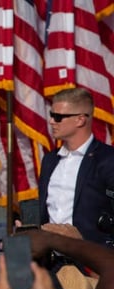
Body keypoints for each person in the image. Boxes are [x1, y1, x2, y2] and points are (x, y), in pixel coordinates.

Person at [37, 87, 114, 246]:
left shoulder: (107, 159)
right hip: (51, 262)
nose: (52, 121)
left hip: (91, 262)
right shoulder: (50, 160)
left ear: (80, 120)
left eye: (58, 117)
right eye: (52, 115)